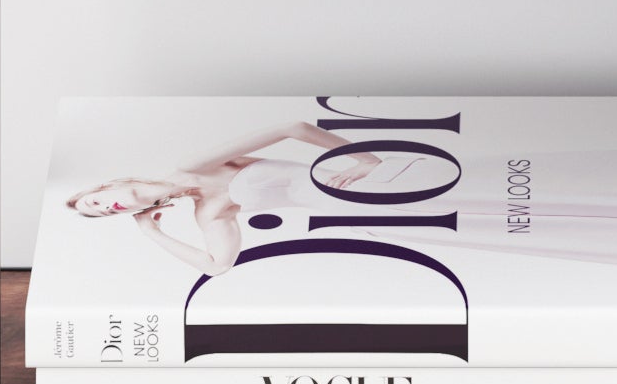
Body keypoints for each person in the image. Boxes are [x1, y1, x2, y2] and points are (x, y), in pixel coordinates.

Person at [68, 119, 383, 278]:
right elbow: (217, 267)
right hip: (369, 222)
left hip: (377, 190)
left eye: (97, 201)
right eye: (104, 214)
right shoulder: (210, 213)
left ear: (108, 186)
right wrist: (153, 233)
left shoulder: (193, 166)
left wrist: (366, 160)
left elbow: (293, 127)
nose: (107, 208)